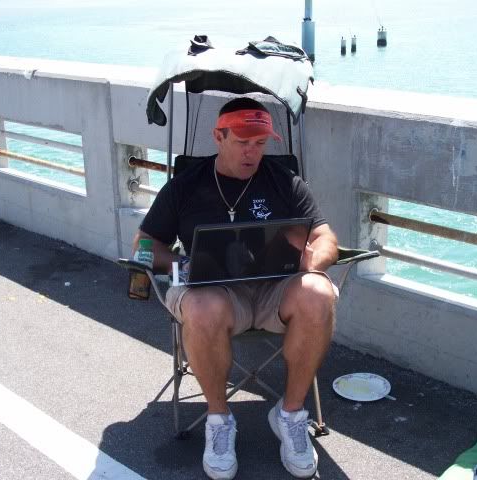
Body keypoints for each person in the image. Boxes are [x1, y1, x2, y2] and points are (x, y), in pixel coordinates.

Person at [132, 97, 338, 479]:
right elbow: (143, 245)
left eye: (260, 143)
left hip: (275, 289)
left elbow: (327, 238)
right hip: (214, 292)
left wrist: (313, 262)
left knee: (319, 293)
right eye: (242, 141)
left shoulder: (283, 180)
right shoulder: (185, 186)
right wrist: (184, 264)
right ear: (218, 136)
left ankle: (290, 413)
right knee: (201, 308)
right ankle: (219, 420)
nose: (251, 152)